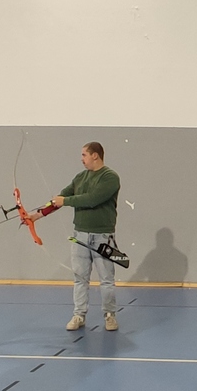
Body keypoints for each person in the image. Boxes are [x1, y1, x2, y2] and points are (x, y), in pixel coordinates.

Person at [31, 142, 122, 331]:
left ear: (95, 155)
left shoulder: (110, 177)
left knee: (106, 279)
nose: (82, 159)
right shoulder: (80, 177)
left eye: (84, 155)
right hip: (80, 235)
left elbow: (92, 199)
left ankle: (110, 315)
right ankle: (79, 315)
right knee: (80, 278)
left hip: (103, 235)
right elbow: (59, 199)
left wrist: (65, 201)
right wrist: (37, 215)